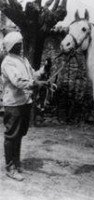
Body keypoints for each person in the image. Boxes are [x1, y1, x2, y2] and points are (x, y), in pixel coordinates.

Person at [1, 31, 48, 181]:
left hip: (25, 103)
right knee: (11, 135)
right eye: (18, 44)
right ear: (12, 46)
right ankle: (10, 168)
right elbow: (18, 82)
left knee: (20, 134)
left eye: (21, 44)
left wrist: (43, 70)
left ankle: (16, 162)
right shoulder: (8, 62)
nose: (21, 46)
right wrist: (35, 85)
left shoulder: (23, 60)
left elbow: (32, 75)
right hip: (13, 104)